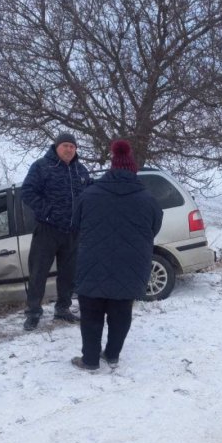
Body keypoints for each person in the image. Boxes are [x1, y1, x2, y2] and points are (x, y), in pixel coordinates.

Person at [71, 139, 163, 371]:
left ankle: (90, 360)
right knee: (121, 313)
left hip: (92, 264)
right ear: (134, 171)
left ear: (111, 168)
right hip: (131, 266)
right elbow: (155, 228)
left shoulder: (89, 194)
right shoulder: (148, 200)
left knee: (91, 314)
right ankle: (112, 355)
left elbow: (75, 226)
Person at [21, 132, 92, 331]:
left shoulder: (80, 170)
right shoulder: (42, 166)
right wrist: (48, 212)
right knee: (38, 273)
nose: (69, 149)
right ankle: (33, 313)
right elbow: (27, 192)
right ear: (57, 147)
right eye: (65, 146)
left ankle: (63, 309)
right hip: (47, 229)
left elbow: (90, 193)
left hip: (72, 231)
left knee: (69, 274)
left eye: (72, 146)